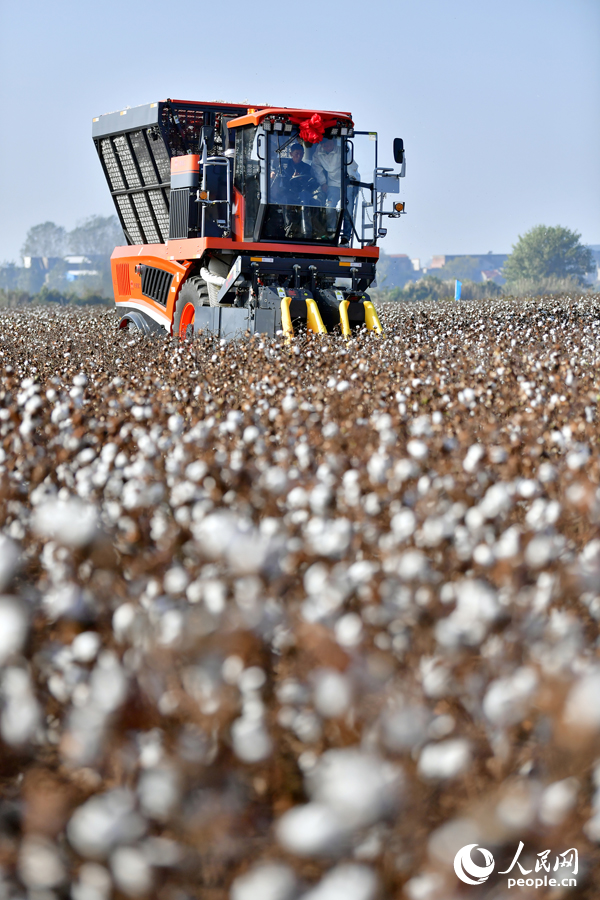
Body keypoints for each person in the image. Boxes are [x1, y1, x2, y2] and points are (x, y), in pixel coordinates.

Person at [311, 138, 359, 242]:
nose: (325, 148)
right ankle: (332, 233)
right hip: (332, 182)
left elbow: (350, 165)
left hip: (348, 181)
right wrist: (323, 182)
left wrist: (350, 180)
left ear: (333, 142)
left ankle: (346, 236)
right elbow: (316, 166)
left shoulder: (343, 148)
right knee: (330, 207)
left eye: (327, 145)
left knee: (348, 210)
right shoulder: (319, 151)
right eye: (323, 145)